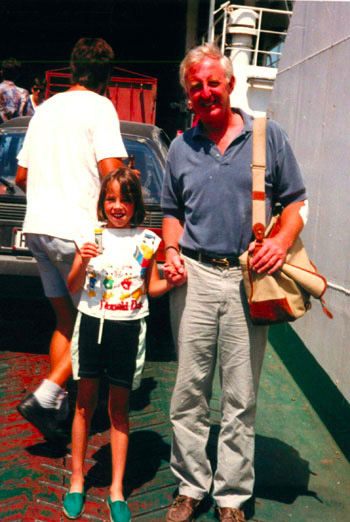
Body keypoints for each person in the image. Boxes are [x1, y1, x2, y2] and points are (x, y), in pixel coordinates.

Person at [161, 43, 308, 522]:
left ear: (230, 85)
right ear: (189, 94)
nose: (205, 93)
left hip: (248, 278)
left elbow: (296, 203)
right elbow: (171, 211)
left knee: (240, 397)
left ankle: (230, 497)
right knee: (189, 393)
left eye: (212, 84)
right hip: (195, 277)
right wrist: (169, 252)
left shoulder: (268, 137)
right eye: (195, 87)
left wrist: (281, 242)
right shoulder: (181, 146)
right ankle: (190, 486)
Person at [15, 37, 128, 441]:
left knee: (65, 320)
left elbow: (22, 176)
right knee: (91, 321)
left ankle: (56, 404)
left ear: (72, 68)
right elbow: (111, 170)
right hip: (77, 235)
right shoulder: (101, 107)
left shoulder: (44, 110)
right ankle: (46, 395)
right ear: (108, 78)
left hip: (38, 229)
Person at [63, 167, 175, 521]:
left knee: (119, 411)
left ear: (135, 204)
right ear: (102, 202)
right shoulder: (90, 235)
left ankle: (116, 489)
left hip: (128, 329)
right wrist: (82, 258)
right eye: (111, 199)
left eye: (125, 199)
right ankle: (78, 480)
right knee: (84, 404)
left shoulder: (147, 241)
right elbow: (72, 286)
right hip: (92, 326)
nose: (117, 206)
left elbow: (151, 288)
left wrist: (171, 281)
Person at [0, 58, 30, 123]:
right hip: (16, 130)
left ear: (1, 72)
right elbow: (29, 117)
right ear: (18, 75)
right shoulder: (23, 92)